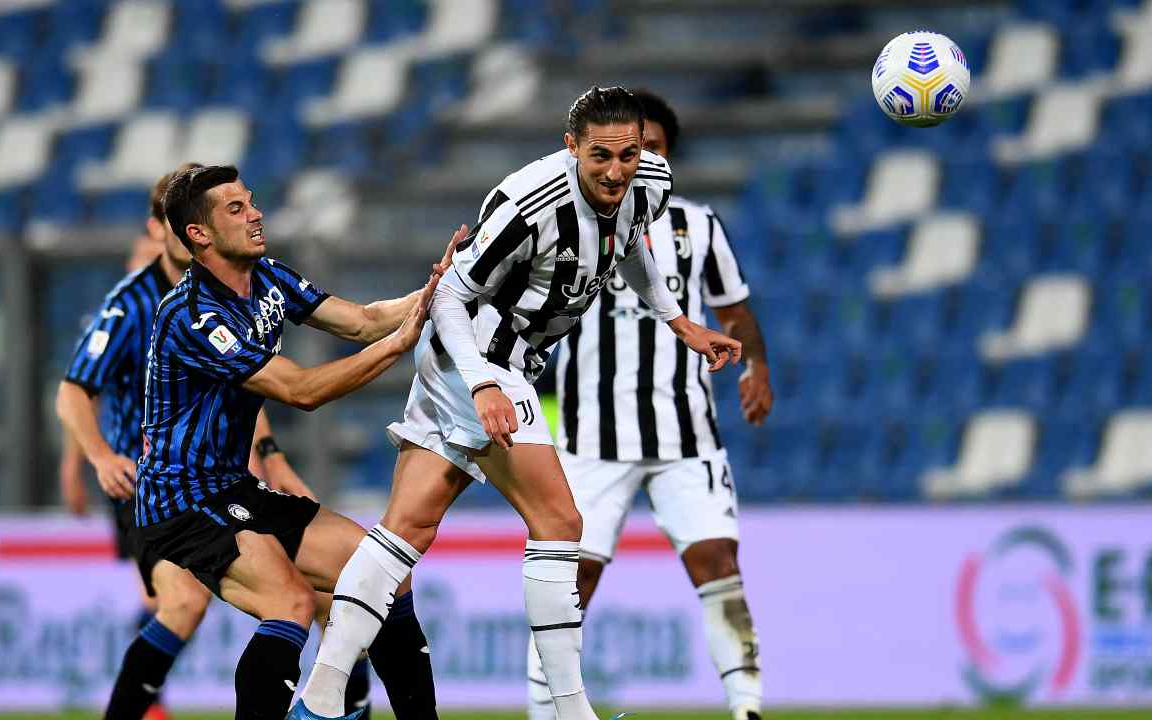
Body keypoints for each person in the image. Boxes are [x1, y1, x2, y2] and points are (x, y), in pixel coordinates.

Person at [296, 86, 743, 720]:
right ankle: (571, 711)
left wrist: (679, 323)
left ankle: (316, 701)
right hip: (475, 357)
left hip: (500, 365)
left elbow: (631, 247)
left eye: (629, 154)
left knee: (405, 533)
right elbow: (449, 295)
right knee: (560, 523)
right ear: (571, 148)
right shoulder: (527, 205)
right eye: (600, 157)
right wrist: (481, 383)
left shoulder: (648, 183)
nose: (617, 171)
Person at [134, 164, 457, 720]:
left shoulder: (268, 277)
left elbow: (361, 321)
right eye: (235, 209)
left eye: (251, 201)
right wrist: (397, 347)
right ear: (199, 235)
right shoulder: (190, 315)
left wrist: (444, 285)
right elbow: (299, 390)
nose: (255, 213)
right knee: (291, 604)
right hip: (180, 501)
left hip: (232, 486)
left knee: (386, 575)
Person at [57, 164, 348, 720]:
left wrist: (269, 457)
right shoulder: (132, 304)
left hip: (220, 481)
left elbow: (244, 390)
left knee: (323, 596)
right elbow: (74, 392)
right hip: (153, 484)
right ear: (162, 228)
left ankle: (332, 703)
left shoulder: (235, 287)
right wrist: (90, 458)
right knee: (186, 603)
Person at [526, 89, 772, 720]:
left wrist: (758, 368)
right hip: (589, 435)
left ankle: (747, 707)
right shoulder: (571, 218)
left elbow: (734, 308)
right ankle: (544, 709)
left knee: (719, 562)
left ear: (664, 156)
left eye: (650, 150)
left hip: (685, 436)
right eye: (625, 151)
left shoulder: (700, 224)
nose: (632, 165)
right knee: (571, 583)